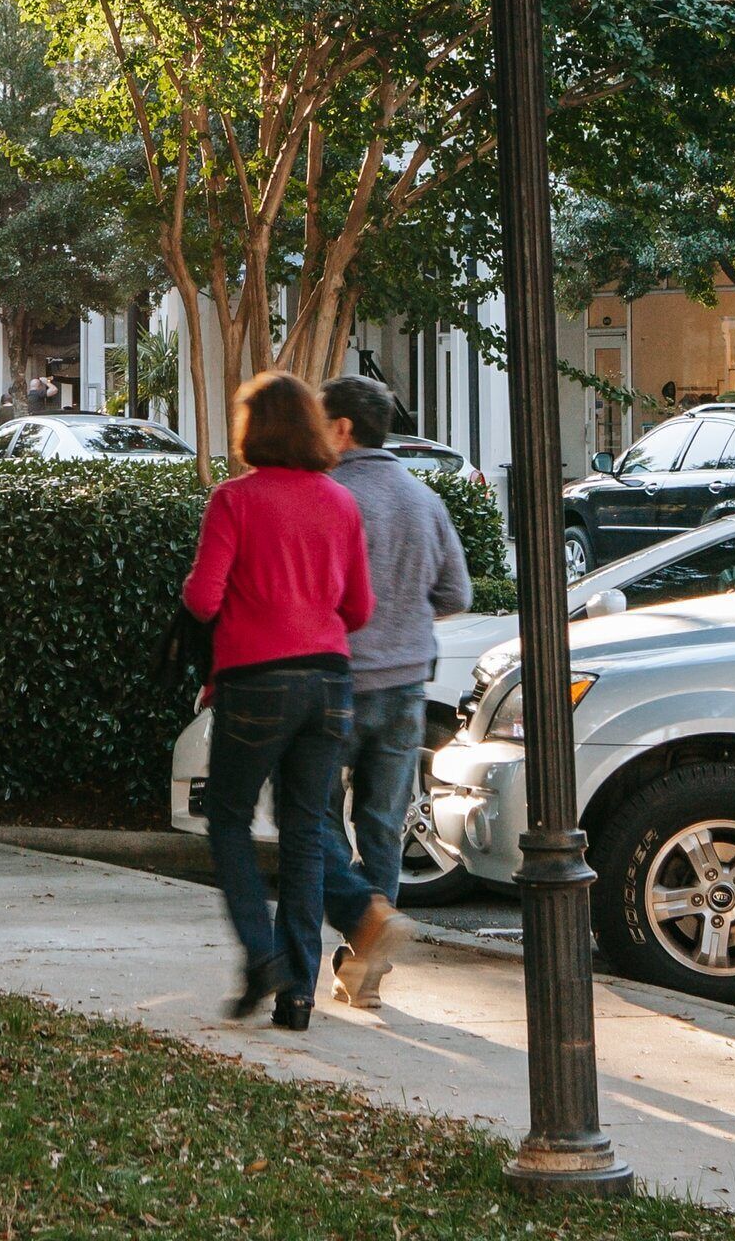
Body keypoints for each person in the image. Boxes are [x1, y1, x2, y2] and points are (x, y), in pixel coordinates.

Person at [181, 370, 372, 1029]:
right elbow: (360, 608)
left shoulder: (234, 500)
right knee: (304, 833)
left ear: (252, 429)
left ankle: (264, 957)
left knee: (228, 818)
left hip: (256, 679)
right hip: (330, 680)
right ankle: (298, 996)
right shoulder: (341, 502)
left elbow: (203, 597)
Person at [314, 374, 472, 1008]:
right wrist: (404, 613)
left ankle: (362, 918)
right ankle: (366, 974)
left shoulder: (328, 497)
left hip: (335, 681)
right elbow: (457, 593)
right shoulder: (423, 499)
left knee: (313, 814)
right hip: (407, 685)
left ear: (342, 429)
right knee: (382, 828)